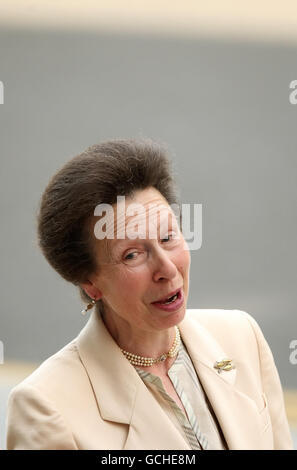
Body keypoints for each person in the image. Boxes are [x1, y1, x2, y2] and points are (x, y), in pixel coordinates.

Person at [6, 138, 293, 450]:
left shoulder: (242, 338)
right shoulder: (47, 406)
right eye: (132, 255)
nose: (167, 268)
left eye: (169, 236)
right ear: (90, 283)